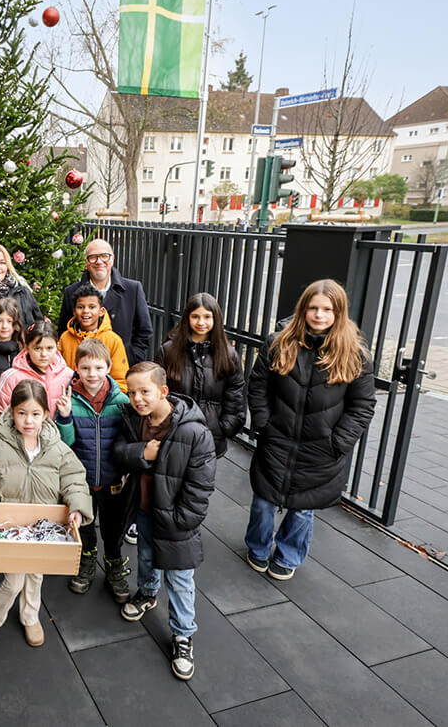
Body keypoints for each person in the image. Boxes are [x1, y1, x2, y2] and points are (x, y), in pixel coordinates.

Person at [244, 279, 375, 581]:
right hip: (277, 438)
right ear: (303, 309)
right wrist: (263, 423)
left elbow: (362, 405)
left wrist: (338, 442)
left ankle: (288, 553)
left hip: (321, 446)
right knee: (264, 500)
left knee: (303, 508)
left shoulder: (355, 354)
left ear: (338, 312)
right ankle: (258, 547)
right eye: (313, 307)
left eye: (327, 309)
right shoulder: (278, 343)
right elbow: (258, 385)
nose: (319, 315)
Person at [0, 379, 92, 648]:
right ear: (11, 412)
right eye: (22, 413)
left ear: (46, 414)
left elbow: (74, 479)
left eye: (35, 414)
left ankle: (30, 616)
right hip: (12, 525)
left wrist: (77, 507)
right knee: (13, 582)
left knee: (36, 577)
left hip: (43, 526)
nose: (28, 421)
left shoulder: (56, 448)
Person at [113, 362, 217, 681]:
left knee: (180, 579)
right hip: (144, 510)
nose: (137, 399)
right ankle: (147, 592)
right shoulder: (133, 419)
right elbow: (119, 451)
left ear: (163, 391)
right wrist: (143, 452)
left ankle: (183, 635)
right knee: (145, 554)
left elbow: (201, 484)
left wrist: (182, 519)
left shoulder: (193, 431)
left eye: (145, 392)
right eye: (131, 393)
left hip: (176, 520)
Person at [54, 339, 132, 602]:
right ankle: (87, 560)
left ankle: (114, 564)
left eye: (98, 368)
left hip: (112, 479)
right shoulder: (69, 399)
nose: (92, 375)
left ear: (109, 367)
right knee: (84, 523)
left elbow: (128, 440)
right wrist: (64, 418)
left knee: (113, 526)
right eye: (86, 368)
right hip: (82, 480)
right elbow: (66, 444)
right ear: (76, 367)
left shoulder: (121, 401)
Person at [155, 292, 246, 458]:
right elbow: (157, 390)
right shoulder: (168, 351)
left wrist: (225, 426)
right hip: (174, 432)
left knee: (202, 482)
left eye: (207, 317)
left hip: (211, 434)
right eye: (195, 316)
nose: (201, 322)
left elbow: (235, 393)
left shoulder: (228, 354)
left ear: (215, 319)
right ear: (187, 318)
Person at [58, 238, 153, 365]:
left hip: (122, 366)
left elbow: (144, 331)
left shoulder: (132, 289)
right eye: (93, 257)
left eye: (104, 256)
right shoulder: (72, 292)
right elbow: (65, 330)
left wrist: (130, 357)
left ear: (112, 259)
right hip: (84, 369)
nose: (99, 261)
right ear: (86, 262)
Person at [57, 281, 130, 392]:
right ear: (74, 312)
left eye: (92, 307)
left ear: (101, 311)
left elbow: (121, 381)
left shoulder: (113, 340)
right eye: (81, 307)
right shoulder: (65, 338)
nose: (86, 311)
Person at [0, 320, 73, 415]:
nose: (44, 354)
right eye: (37, 348)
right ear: (27, 347)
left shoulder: (68, 375)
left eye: (49, 348)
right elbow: (1, 415)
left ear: (57, 346)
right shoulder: (11, 378)